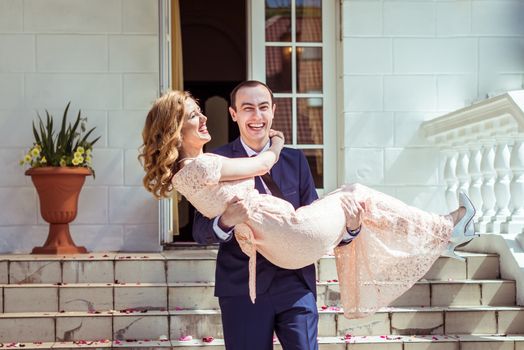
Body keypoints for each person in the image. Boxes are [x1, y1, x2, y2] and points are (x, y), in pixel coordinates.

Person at [139, 85, 476, 348]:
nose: (256, 116)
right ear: (234, 114)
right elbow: (201, 231)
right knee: (354, 191)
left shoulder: (296, 161)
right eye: (247, 108)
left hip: (295, 281)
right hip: (244, 287)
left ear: (273, 111)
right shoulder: (214, 159)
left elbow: (317, 215)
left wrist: (352, 228)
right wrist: (226, 219)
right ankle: (439, 233)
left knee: (355, 200)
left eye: (263, 107)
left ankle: (437, 235)